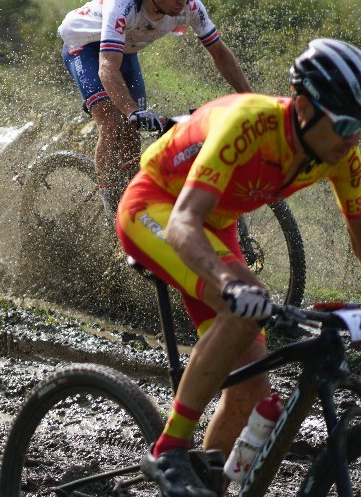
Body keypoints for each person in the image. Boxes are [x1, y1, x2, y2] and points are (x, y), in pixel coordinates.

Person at [117, 37, 361, 496]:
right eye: (346, 123)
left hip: (215, 225)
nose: (353, 138)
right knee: (246, 305)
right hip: (157, 207)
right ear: (305, 107)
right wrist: (231, 284)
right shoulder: (249, 123)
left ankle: (208, 489)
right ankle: (167, 449)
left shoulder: (342, 154)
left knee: (252, 389)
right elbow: (185, 222)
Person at [57, 0, 252, 209]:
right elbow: (107, 67)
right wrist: (130, 110)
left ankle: (130, 206)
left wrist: (250, 99)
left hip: (123, 50)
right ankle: (109, 207)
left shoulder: (190, 7)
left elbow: (219, 52)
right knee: (115, 121)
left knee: (131, 137)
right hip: (86, 46)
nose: (182, 0)